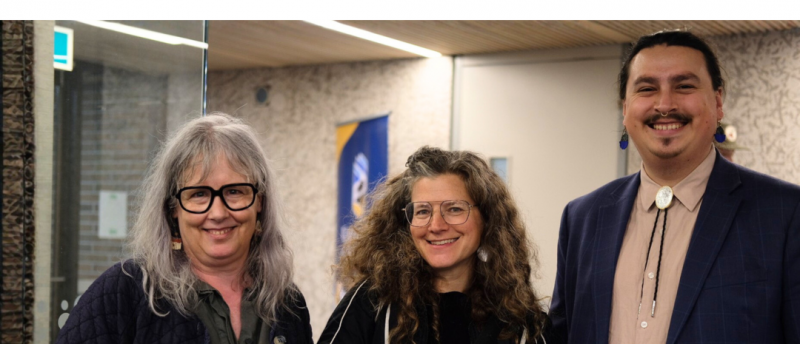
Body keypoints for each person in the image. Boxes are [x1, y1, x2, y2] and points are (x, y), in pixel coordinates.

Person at [549, 30, 800, 343]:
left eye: (684, 86)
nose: (664, 104)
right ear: (625, 109)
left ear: (718, 102)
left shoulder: (784, 214)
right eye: (647, 88)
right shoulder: (583, 218)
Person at [56, 114, 313, 344]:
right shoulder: (123, 292)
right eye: (199, 194)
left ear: (260, 201)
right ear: (172, 209)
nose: (218, 213)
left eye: (234, 191)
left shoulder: (288, 302)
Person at [318, 146, 554, 344]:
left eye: (454, 209)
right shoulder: (372, 302)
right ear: (405, 223)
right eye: (422, 211)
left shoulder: (521, 320)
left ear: (488, 218)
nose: (436, 225)